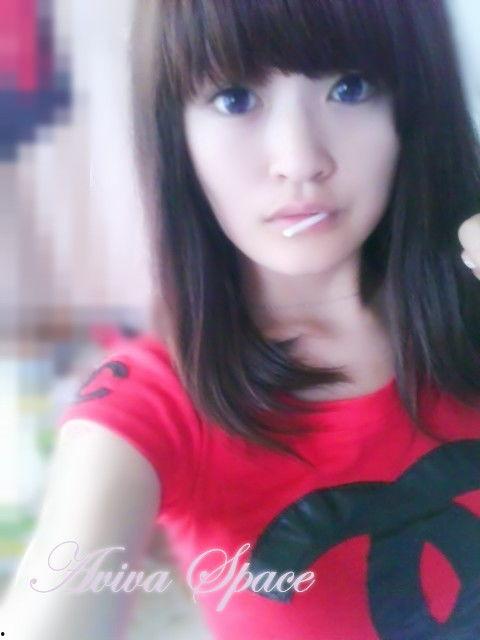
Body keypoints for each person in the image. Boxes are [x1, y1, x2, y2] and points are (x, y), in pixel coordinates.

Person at [3, 1, 480, 638]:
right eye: (234, 99)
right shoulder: (153, 399)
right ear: (176, 134)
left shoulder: (467, 312)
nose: (300, 159)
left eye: (351, 87)